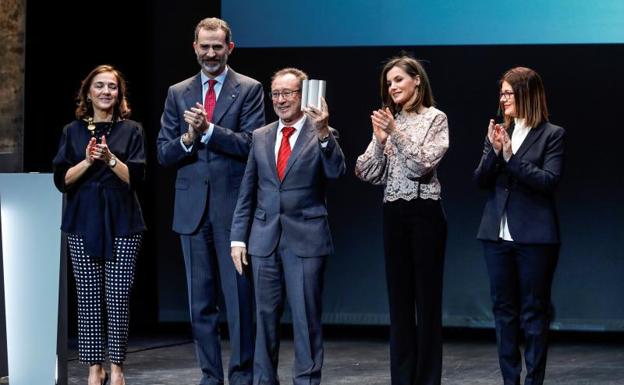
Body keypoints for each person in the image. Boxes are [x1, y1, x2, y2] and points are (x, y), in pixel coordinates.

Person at [156, 17, 265, 385]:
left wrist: (209, 132)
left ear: (229, 48)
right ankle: (209, 377)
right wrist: (188, 138)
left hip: (232, 211)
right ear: (195, 48)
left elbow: (252, 145)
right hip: (191, 213)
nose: (211, 53)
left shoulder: (248, 89)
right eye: (205, 46)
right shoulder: (178, 92)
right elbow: (164, 153)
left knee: (238, 302)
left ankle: (242, 376)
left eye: (218, 46)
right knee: (200, 305)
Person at [230, 67, 346, 385]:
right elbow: (247, 192)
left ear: (304, 95)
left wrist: (323, 132)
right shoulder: (260, 136)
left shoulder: (322, 132)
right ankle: (264, 380)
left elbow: (336, 172)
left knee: (305, 318)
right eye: (276, 94)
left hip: (306, 238)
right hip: (263, 239)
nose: (281, 100)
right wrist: (237, 239)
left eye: (288, 93)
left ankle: (306, 380)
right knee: (264, 318)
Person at [355, 55, 449, 385]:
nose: (392, 86)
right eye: (389, 82)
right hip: (393, 214)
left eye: (398, 80)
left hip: (424, 215)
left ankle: (427, 379)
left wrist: (394, 132)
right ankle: (403, 378)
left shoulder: (435, 118)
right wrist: (380, 142)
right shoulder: (389, 121)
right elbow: (366, 171)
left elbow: (422, 165)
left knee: (426, 301)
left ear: (417, 81)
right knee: (399, 302)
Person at [52, 64, 146, 385]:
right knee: (88, 295)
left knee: (118, 295)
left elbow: (135, 178)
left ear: (120, 94)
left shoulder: (132, 130)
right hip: (82, 220)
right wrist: (89, 160)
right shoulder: (72, 131)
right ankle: (95, 368)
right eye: (100, 86)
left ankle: (117, 367)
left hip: (122, 221)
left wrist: (109, 159)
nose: (107, 92)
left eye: (113, 87)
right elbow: (62, 181)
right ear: (88, 92)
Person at [474, 67, 564, 385]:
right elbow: (481, 180)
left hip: (535, 237)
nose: (503, 98)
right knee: (503, 312)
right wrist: (494, 152)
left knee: (534, 312)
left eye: (509, 93)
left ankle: (533, 381)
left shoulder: (552, 134)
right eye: (501, 93)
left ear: (527, 94)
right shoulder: (500, 130)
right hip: (496, 236)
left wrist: (511, 158)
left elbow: (548, 181)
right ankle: (509, 380)